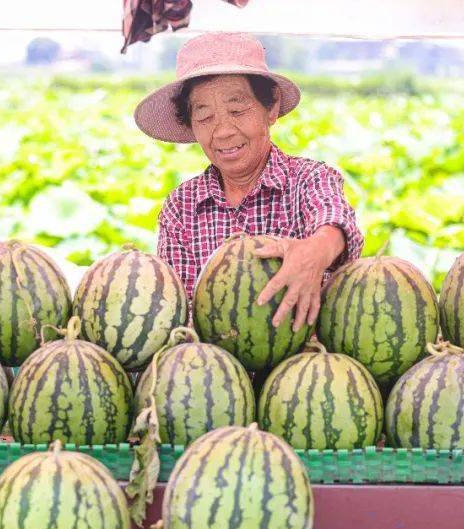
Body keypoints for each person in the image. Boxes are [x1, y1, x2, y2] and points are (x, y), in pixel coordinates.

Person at [135, 32, 364, 331]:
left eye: (237, 110)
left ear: (270, 108)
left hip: (301, 363)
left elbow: (336, 225)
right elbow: (180, 311)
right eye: (205, 117)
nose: (223, 132)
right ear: (191, 125)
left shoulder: (309, 179)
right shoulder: (181, 207)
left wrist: (315, 251)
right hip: (215, 364)